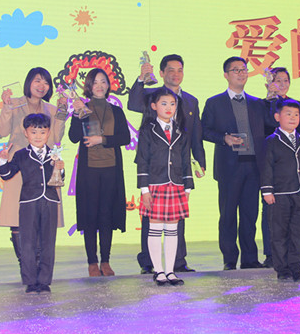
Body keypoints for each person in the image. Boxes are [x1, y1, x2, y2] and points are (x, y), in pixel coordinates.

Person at [128, 54, 205, 274]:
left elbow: (195, 134)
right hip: (155, 166)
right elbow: (132, 103)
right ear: (161, 73)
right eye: (170, 69)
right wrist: (141, 79)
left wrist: (199, 161)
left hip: (179, 167)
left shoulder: (190, 101)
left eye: (180, 69)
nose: (176, 74)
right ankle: (149, 262)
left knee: (177, 217)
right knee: (150, 217)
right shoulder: (151, 95)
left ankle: (177, 262)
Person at [202, 56, 274, 270]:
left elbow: (271, 125)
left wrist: (272, 100)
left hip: (253, 166)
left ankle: (250, 258)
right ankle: (230, 258)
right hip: (229, 167)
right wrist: (223, 138)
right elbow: (204, 130)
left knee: (250, 215)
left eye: (244, 69)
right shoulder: (214, 102)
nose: (241, 73)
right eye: (236, 70)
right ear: (226, 75)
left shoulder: (257, 103)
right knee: (228, 215)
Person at [0, 67, 67, 270]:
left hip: (44, 167)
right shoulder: (15, 104)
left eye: (46, 82)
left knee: (43, 218)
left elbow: (56, 138)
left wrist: (62, 112)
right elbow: (2, 132)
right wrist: (6, 107)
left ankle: (38, 265)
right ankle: (25, 265)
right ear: (29, 82)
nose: (41, 86)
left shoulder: (52, 109)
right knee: (17, 217)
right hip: (19, 166)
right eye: (37, 80)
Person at [69, 68, 130, 277]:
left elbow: (125, 138)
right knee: (90, 216)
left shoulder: (117, 111)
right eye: (95, 82)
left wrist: (101, 139)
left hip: (111, 169)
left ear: (108, 85)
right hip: (89, 171)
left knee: (106, 215)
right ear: (88, 86)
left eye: (103, 81)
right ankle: (92, 262)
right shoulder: (82, 108)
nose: (99, 86)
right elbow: (73, 137)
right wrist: (76, 114)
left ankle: (105, 261)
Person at [0, 114, 65, 294]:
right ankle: (30, 281)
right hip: (29, 201)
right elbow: (7, 174)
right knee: (27, 242)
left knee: (48, 242)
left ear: (48, 133)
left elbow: (60, 180)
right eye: (33, 132)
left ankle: (44, 281)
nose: (38, 136)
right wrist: (3, 160)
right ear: (26, 133)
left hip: (50, 201)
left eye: (42, 132)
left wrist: (61, 169)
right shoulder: (21, 154)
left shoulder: (54, 153)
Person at [135, 87, 194, 286]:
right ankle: (158, 270)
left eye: (172, 104)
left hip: (176, 184)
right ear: (154, 106)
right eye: (164, 103)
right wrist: (144, 189)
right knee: (155, 228)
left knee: (172, 230)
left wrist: (187, 187)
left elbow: (186, 160)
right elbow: (142, 161)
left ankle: (170, 271)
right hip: (155, 184)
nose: (169, 107)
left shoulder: (180, 130)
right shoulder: (147, 130)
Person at [261, 100, 300, 281]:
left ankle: (296, 268)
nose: (293, 118)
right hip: (279, 194)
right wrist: (267, 191)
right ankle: (283, 269)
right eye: (288, 114)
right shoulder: (271, 141)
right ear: (277, 117)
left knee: (298, 233)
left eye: (296, 114)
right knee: (279, 234)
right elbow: (266, 167)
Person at [261, 66, 300, 268]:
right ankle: (272, 255)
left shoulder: (296, 105)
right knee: (271, 214)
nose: (282, 84)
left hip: (293, 168)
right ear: (270, 82)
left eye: (285, 80)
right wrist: (271, 101)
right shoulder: (263, 104)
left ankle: (292, 257)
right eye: (277, 80)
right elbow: (266, 127)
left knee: (294, 218)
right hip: (273, 165)